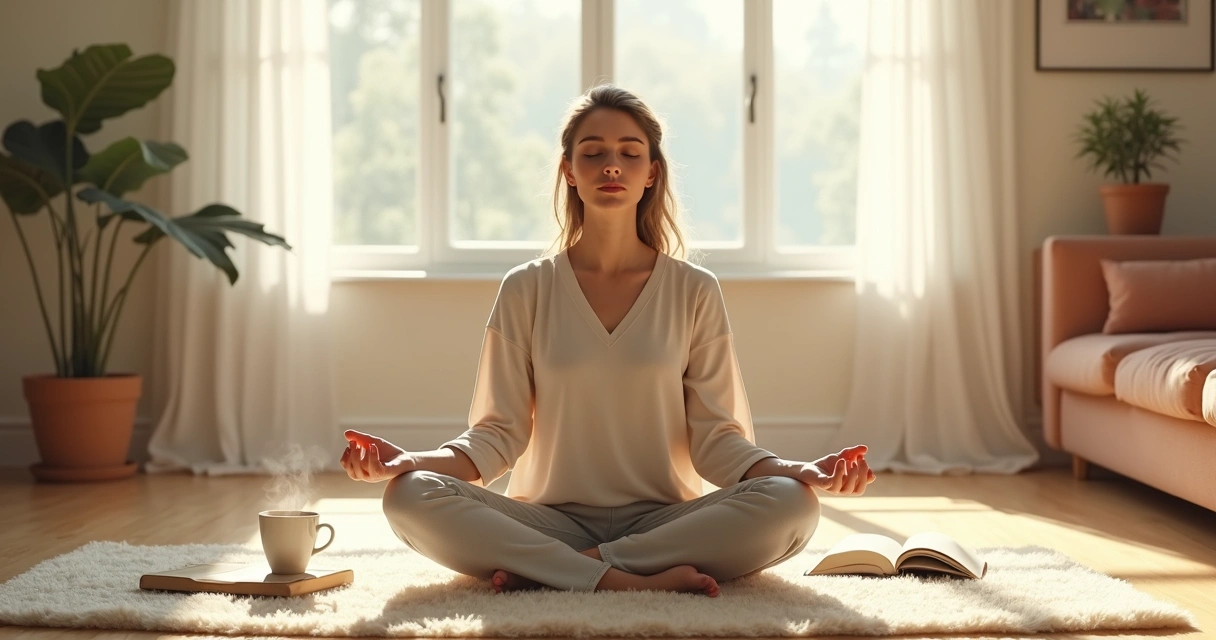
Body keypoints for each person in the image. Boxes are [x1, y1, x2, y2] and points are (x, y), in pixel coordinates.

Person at [340, 84, 875, 597]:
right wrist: (406, 461)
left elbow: (718, 442)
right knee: (408, 495)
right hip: (549, 520)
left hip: (667, 522)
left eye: (629, 152)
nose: (611, 165)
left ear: (651, 173)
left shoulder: (694, 290)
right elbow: (495, 436)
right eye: (593, 153)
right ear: (569, 172)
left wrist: (798, 471)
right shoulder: (527, 287)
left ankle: (565, 573)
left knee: (794, 505)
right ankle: (618, 577)